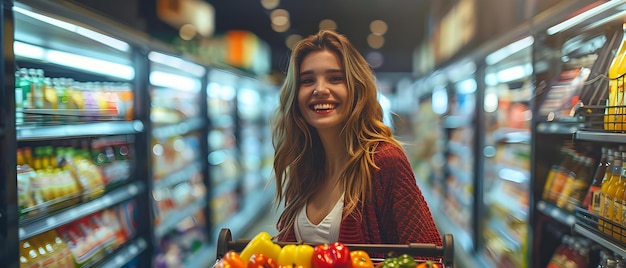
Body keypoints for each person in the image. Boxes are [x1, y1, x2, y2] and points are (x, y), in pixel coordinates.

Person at [271, 29, 442, 248]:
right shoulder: (303, 166)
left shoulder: (384, 161)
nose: (320, 89)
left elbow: (428, 258)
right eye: (307, 80)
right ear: (295, 94)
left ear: (356, 89)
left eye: (335, 78)